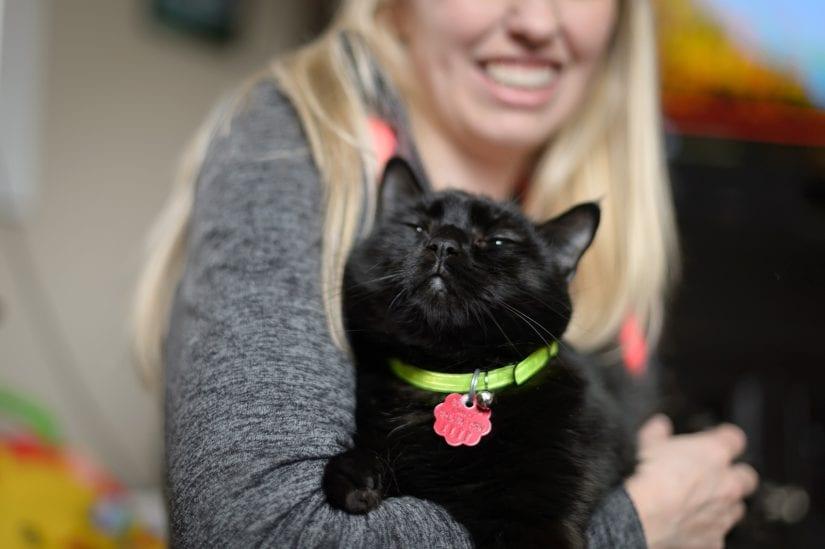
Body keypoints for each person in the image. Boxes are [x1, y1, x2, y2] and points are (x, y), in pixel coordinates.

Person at [131, 0, 759, 547]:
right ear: (396, 5)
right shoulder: (292, 146)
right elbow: (253, 535)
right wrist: (640, 524)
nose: (538, 20)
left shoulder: (596, 211)